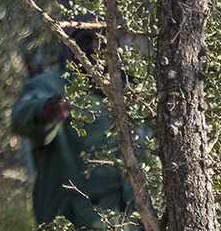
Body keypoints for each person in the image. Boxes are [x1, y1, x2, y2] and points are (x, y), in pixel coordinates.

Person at [10, 26, 135, 228]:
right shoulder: (52, 86)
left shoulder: (137, 92)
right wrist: (45, 111)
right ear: (70, 46)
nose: (94, 47)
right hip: (71, 221)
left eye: (103, 39)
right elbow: (21, 115)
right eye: (85, 40)